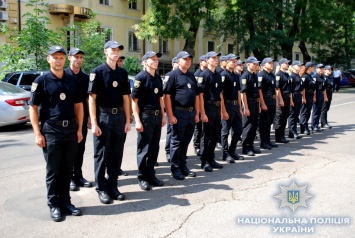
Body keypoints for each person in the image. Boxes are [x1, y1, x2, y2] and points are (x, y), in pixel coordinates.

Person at [29, 46, 84, 222]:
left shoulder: (71, 80)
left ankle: (66, 202)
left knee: (68, 168)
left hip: (70, 130)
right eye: (55, 57)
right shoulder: (42, 81)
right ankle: (54, 204)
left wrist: (79, 129)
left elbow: (78, 106)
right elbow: (33, 107)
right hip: (51, 130)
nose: (58, 60)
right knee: (54, 170)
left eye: (61, 57)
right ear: (48, 59)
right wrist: (37, 133)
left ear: (64, 60)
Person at [88, 40, 131, 204]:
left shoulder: (122, 73)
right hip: (103, 116)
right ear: (105, 51)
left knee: (116, 153)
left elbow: (126, 98)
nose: (116, 52)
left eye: (118, 50)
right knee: (101, 154)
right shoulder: (98, 72)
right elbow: (92, 99)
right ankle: (101, 188)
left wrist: (128, 119)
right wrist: (94, 122)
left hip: (119, 117)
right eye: (112, 49)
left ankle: (113, 186)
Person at [131, 51, 166, 190]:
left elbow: (160, 98)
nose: (155, 61)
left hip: (157, 116)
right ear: (145, 61)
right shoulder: (141, 78)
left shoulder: (157, 78)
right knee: (144, 148)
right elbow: (134, 100)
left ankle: (151, 175)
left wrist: (163, 116)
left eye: (157, 59)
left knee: (154, 147)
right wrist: (137, 120)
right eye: (152, 59)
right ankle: (142, 177)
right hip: (145, 116)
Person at [164, 51, 200, 180]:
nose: (188, 61)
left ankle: (183, 166)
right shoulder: (172, 75)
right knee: (176, 142)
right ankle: (175, 168)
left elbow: (196, 96)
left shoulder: (191, 76)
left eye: (190, 59)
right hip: (178, 112)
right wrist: (170, 115)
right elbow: (166, 97)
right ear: (178, 61)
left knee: (185, 142)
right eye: (185, 59)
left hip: (190, 113)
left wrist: (197, 112)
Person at [63, 48, 92, 192]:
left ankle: (78, 176)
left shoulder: (85, 77)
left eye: (81, 57)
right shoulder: (64, 75)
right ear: (69, 58)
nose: (79, 60)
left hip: (82, 118)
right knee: (69, 151)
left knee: (80, 148)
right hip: (67, 119)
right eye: (76, 57)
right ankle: (69, 179)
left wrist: (91, 118)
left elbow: (88, 99)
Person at [198, 51, 229, 172]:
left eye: (217, 58)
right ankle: (204, 161)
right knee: (206, 135)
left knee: (215, 135)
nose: (216, 60)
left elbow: (220, 94)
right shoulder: (204, 75)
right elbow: (200, 95)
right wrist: (202, 113)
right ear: (207, 61)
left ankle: (211, 158)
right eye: (213, 58)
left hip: (216, 107)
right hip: (208, 106)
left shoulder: (218, 75)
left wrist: (223, 110)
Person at [220, 54, 244, 162]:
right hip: (227, 104)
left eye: (235, 61)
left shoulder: (236, 76)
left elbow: (239, 92)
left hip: (235, 105)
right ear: (226, 62)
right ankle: (225, 153)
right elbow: (221, 94)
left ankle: (232, 151)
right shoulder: (223, 75)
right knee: (225, 131)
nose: (235, 63)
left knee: (238, 130)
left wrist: (239, 107)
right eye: (232, 61)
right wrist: (223, 110)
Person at [258, 57, 283, 150]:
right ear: (264, 64)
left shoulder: (272, 75)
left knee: (269, 121)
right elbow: (259, 90)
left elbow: (274, 90)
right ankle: (263, 142)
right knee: (264, 121)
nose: (271, 64)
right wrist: (262, 103)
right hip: (265, 99)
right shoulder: (261, 75)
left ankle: (268, 140)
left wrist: (276, 101)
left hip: (272, 100)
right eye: (269, 63)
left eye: (272, 63)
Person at [240, 56, 262, 156]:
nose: (256, 65)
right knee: (247, 126)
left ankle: (251, 145)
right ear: (248, 64)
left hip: (255, 102)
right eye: (254, 64)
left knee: (254, 125)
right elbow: (243, 93)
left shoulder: (255, 75)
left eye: (257, 64)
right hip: (248, 102)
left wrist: (259, 105)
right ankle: (245, 147)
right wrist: (246, 107)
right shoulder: (245, 76)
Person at [274, 58, 293, 143]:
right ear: (281, 64)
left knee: (285, 116)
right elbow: (277, 89)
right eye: (285, 63)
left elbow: (289, 89)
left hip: (287, 97)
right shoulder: (279, 75)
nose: (287, 65)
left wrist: (291, 100)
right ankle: (278, 136)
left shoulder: (287, 74)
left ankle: (282, 135)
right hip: (281, 97)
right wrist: (280, 100)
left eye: (288, 63)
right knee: (279, 117)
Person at [164, 56, 179, 163]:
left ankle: (177, 154)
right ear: (173, 64)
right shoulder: (170, 76)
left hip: (180, 110)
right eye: (176, 62)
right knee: (170, 132)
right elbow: (165, 95)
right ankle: (168, 152)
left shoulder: (181, 76)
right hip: (172, 109)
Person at [193, 55, 207, 156]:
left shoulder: (207, 73)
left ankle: (203, 145)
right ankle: (197, 146)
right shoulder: (197, 74)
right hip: (199, 101)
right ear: (200, 62)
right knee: (198, 127)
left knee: (205, 127)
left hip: (207, 103)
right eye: (204, 60)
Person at [288, 61, 304, 139]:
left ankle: (294, 131)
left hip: (298, 95)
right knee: (292, 115)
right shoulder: (292, 76)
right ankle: (291, 132)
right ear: (294, 66)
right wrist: (291, 100)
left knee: (296, 114)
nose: (300, 67)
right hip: (294, 95)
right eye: (298, 65)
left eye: (300, 65)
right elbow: (290, 90)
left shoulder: (298, 75)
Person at [299, 62, 316, 135]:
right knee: (304, 112)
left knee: (308, 111)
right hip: (306, 95)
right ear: (309, 67)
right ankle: (303, 128)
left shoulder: (310, 76)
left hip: (310, 95)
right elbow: (303, 88)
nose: (314, 68)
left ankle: (305, 126)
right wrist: (303, 98)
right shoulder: (305, 76)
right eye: (313, 67)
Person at [311, 64, 328, 131]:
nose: (321, 69)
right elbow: (314, 88)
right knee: (315, 111)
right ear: (316, 69)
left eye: (322, 68)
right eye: (320, 68)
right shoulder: (315, 77)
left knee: (319, 110)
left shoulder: (323, 77)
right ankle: (314, 125)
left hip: (321, 94)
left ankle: (316, 125)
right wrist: (314, 97)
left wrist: (325, 96)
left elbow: (324, 88)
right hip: (317, 94)